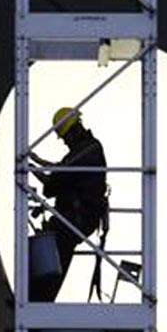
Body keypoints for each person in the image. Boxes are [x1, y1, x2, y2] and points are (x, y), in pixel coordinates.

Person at [29, 107, 108, 302]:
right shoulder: (83, 151)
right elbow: (58, 176)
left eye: (65, 137)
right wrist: (36, 163)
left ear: (74, 131)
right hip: (72, 219)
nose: (65, 141)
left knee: (52, 256)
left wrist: (32, 167)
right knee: (52, 258)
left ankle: (37, 302)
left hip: (76, 219)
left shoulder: (89, 149)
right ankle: (36, 300)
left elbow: (56, 178)